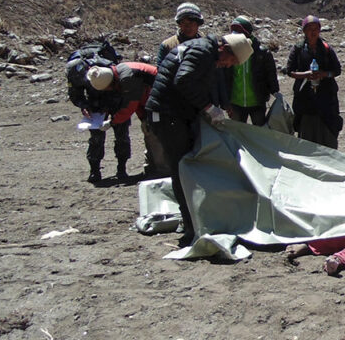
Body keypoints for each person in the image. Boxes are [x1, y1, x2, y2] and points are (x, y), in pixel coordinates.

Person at [144, 33, 253, 247]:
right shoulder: (203, 51)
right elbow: (183, 80)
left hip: (174, 114)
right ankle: (190, 227)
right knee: (182, 168)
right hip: (168, 116)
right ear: (226, 50)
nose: (227, 66)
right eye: (230, 61)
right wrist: (208, 107)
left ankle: (193, 220)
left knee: (188, 165)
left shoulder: (204, 50)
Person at [86, 61, 159, 181]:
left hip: (159, 101)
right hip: (151, 100)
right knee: (150, 131)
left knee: (157, 134)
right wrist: (143, 118)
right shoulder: (120, 72)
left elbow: (130, 106)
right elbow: (138, 100)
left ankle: (160, 170)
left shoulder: (127, 79)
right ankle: (154, 168)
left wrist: (112, 122)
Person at [65, 39, 124, 183]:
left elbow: (120, 91)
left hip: (114, 98)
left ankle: (122, 169)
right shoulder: (74, 71)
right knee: (96, 137)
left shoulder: (108, 68)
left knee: (121, 134)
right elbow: (75, 94)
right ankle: (94, 170)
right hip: (94, 102)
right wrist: (83, 105)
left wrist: (111, 108)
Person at [285, 15, 343, 148]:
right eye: (310, 29)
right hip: (305, 98)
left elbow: (337, 70)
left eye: (316, 28)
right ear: (304, 31)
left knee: (327, 131)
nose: (313, 32)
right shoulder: (298, 49)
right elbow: (290, 71)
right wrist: (306, 75)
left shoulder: (326, 49)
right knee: (307, 131)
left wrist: (324, 74)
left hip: (326, 98)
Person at [222, 16, 280, 125]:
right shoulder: (229, 51)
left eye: (239, 31)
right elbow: (225, 77)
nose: (235, 33)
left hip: (257, 101)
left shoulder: (261, 53)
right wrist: (225, 101)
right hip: (235, 102)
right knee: (238, 134)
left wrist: (276, 92)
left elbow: (270, 74)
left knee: (259, 133)